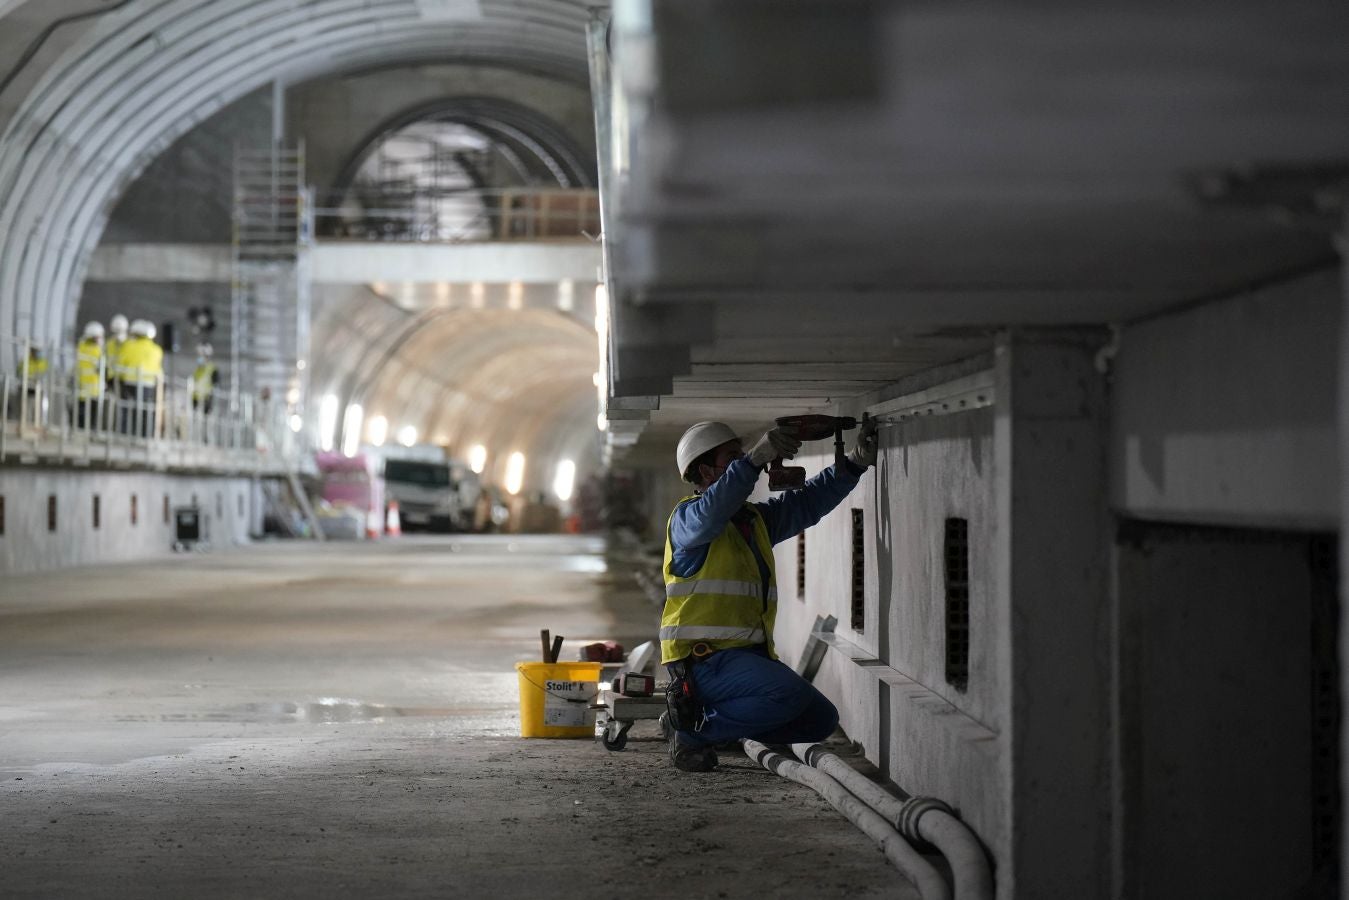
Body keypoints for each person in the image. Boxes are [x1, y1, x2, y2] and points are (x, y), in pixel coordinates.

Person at [660, 416, 879, 772]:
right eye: (731, 459)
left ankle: (700, 723)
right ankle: (694, 732)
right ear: (706, 472)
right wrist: (753, 460)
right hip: (704, 662)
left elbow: (807, 503)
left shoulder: (751, 522)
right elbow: (713, 511)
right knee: (788, 694)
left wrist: (854, 463)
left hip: (745, 659)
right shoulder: (688, 520)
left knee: (820, 720)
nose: (745, 466)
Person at [115, 319, 163, 437]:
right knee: (145, 412)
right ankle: (145, 438)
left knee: (126, 410)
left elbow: (120, 363)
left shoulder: (128, 346)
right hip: (148, 385)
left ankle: (123, 436)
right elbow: (158, 370)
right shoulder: (157, 350)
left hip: (129, 383)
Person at [75, 322, 105, 429]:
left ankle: (78, 431)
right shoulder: (97, 350)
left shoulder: (81, 346)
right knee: (92, 417)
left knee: (80, 414)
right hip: (94, 388)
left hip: (82, 387)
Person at [191, 343, 218, 415]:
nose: (198, 357)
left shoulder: (213, 369)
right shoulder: (198, 369)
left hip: (206, 401)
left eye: (200, 355)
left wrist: (209, 399)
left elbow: (215, 386)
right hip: (196, 401)